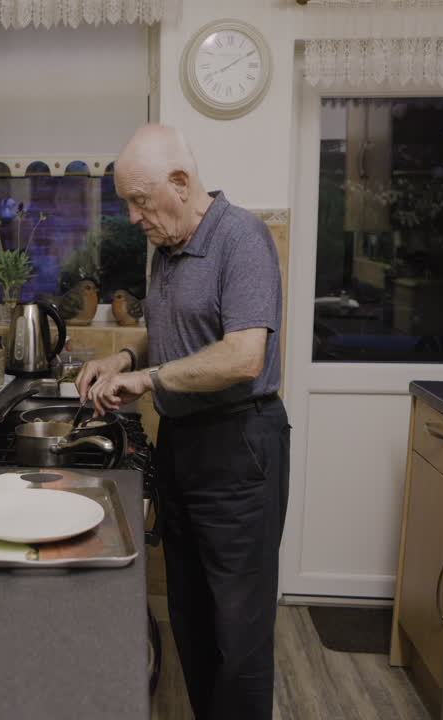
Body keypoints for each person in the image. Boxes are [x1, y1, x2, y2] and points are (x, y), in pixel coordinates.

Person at [77, 124, 289, 719]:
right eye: (127, 203)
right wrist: (124, 357)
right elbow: (171, 330)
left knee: (238, 633)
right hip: (183, 446)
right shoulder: (167, 247)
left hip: (239, 447)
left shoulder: (241, 238)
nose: (133, 216)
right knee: (190, 616)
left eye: (140, 201)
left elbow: (244, 355)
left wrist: (148, 380)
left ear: (180, 182)